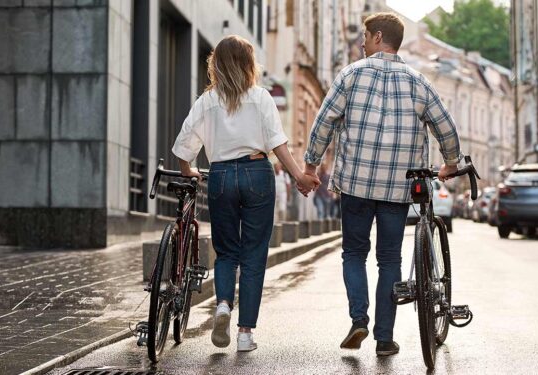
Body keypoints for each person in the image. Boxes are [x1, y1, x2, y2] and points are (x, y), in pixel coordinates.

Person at [300, 13, 462, 356]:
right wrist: (450, 161)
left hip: (356, 185)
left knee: (354, 254)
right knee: (390, 259)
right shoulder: (419, 81)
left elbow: (324, 122)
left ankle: (359, 318)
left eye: (364, 36)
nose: (361, 42)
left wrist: (311, 165)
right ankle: (384, 338)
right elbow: (445, 126)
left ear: (376, 37)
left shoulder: (350, 75)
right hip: (398, 187)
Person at [171, 35, 319, 352]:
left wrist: (190, 171)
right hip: (257, 173)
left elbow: (183, 146)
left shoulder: (206, 101)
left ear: (216, 66)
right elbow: (279, 143)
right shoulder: (261, 97)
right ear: (249, 65)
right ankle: (244, 334)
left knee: (227, 252)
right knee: (253, 256)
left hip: (222, 175)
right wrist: (299, 177)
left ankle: (223, 303)